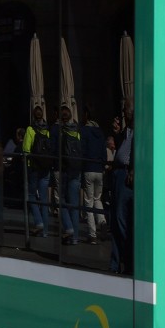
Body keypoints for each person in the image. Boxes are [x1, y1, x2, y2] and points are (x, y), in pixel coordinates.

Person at [109, 104, 134, 274]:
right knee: (116, 220)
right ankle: (115, 263)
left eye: (126, 109)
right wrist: (117, 133)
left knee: (121, 219)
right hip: (118, 174)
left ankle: (127, 261)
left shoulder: (139, 129)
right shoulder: (127, 131)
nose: (123, 112)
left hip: (126, 175)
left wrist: (133, 170)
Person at [22, 105, 53, 235]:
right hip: (46, 167)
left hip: (34, 166)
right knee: (44, 199)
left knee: (31, 195)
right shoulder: (47, 130)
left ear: (33, 116)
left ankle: (39, 222)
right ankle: (44, 231)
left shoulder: (30, 129)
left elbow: (26, 149)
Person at [57, 103, 83, 245]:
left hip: (66, 169)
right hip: (77, 169)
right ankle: (75, 238)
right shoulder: (77, 131)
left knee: (61, 201)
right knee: (74, 205)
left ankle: (68, 227)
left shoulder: (61, 131)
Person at [80, 107, 107, 244]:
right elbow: (104, 151)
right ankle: (102, 221)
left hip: (88, 168)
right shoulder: (100, 132)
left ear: (86, 116)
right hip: (99, 169)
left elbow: (82, 149)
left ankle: (92, 234)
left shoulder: (84, 130)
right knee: (98, 199)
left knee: (89, 201)